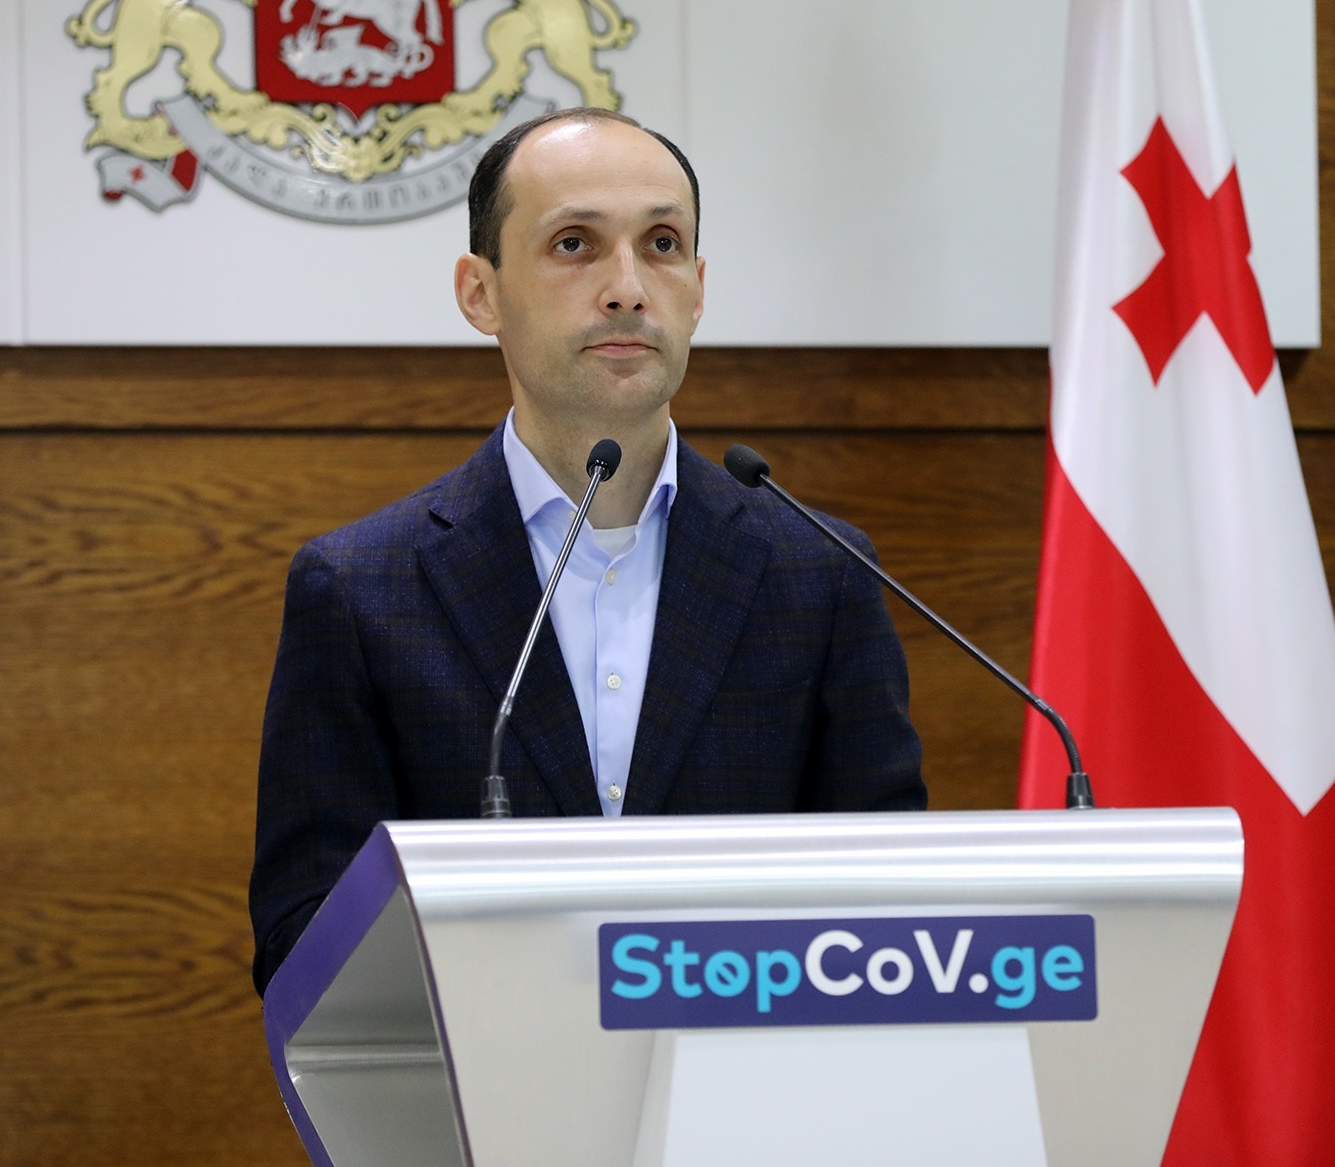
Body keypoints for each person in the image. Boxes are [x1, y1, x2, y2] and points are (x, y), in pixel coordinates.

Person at [248, 109, 926, 994]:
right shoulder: (361, 589)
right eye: (575, 244)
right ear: (480, 293)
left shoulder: (820, 573)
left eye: (662, 244)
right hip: (491, 1074)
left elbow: (890, 902)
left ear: (698, 288)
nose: (628, 288)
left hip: (744, 1070)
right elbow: (306, 937)